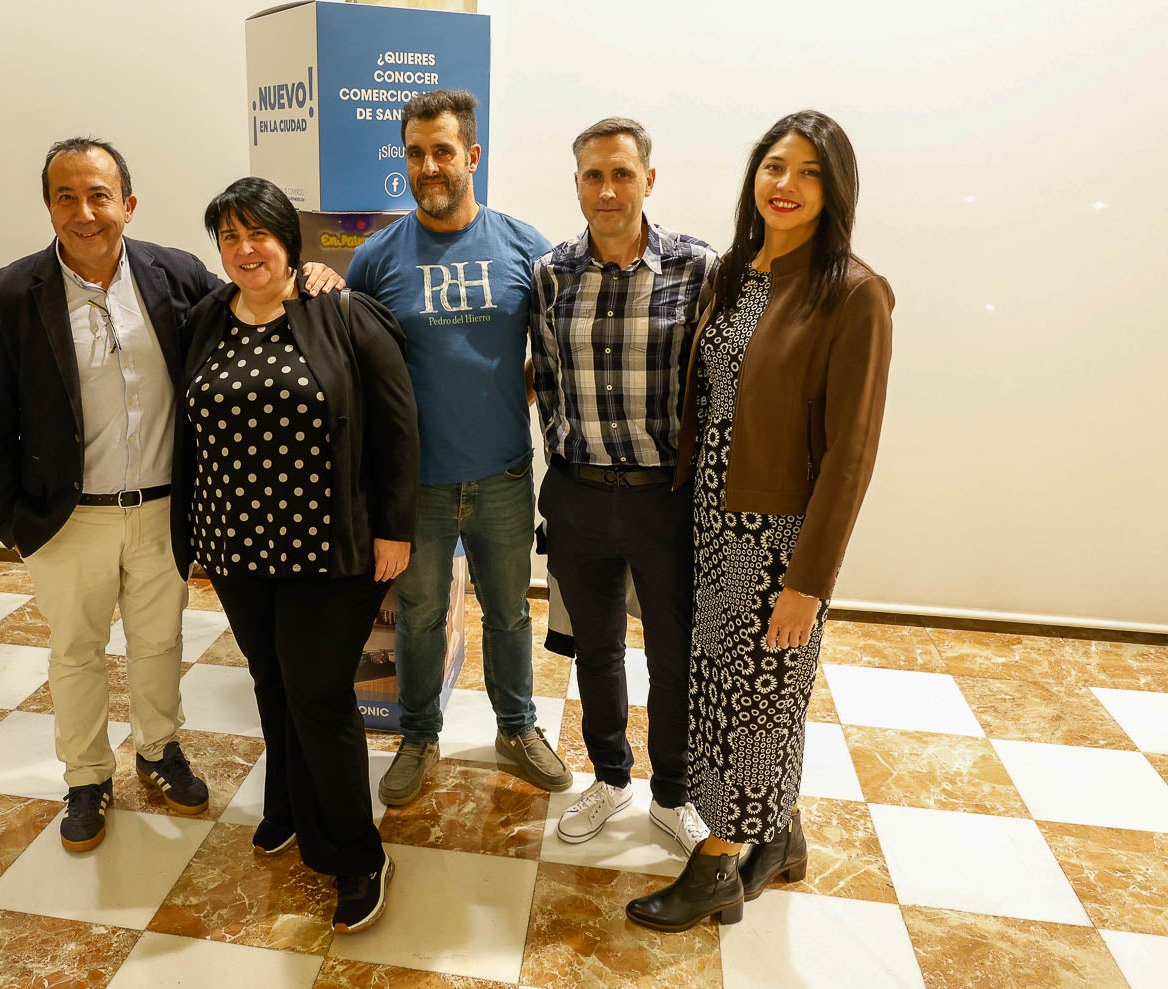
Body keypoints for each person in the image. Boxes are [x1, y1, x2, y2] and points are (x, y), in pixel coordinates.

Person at [0, 137, 338, 853]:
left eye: (99, 195)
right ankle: (85, 776)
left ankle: (159, 750)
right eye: (67, 196)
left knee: (158, 640)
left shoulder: (176, 275)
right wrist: (10, 520)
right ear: (48, 206)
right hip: (66, 517)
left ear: (128, 205)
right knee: (76, 649)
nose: (85, 212)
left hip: (166, 508)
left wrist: (310, 273)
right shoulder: (10, 294)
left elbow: (254, 300)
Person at [626, 110, 894, 930]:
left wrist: (805, 583)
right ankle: (776, 832)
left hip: (776, 537)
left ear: (835, 189)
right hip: (711, 521)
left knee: (754, 699)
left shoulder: (853, 294)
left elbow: (850, 456)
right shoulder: (736, 274)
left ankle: (715, 866)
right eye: (775, 165)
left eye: (809, 172)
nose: (786, 185)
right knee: (730, 692)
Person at [170, 177, 418, 934]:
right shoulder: (207, 317)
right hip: (238, 543)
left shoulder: (339, 311)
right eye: (230, 238)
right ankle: (287, 806)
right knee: (271, 681)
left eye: (260, 235)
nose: (246, 250)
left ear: (290, 240)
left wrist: (394, 527)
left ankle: (355, 853)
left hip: (328, 547)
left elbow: (397, 423)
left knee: (317, 694)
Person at [347, 89, 572, 804]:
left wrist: (526, 382)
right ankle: (418, 735)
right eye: (415, 153)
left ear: (471, 155)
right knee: (420, 617)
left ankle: (516, 726)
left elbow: (559, 345)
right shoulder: (376, 257)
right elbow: (353, 366)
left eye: (442, 151)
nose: (428, 165)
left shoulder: (524, 246)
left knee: (508, 612)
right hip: (418, 487)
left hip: (503, 475)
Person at [531, 118, 719, 856]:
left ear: (648, 179)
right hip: (578, 494)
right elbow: (545, 376)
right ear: (576, 181)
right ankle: (610, 777)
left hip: (662, 499)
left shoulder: (697, 267)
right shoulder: (551, 273)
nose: (606, 191)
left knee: (673, 653)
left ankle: (672, 793)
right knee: (595, 649)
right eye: (591, 176)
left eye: (620, 174)